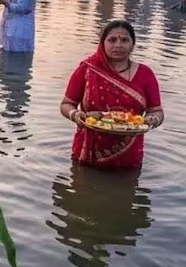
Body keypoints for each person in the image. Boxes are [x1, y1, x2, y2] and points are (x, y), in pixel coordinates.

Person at [60, 21, 164, 169]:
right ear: (102, 43)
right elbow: (66, 104)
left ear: (133, 45)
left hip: (129, 156)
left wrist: (151, 120)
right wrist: (75, 114)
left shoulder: (145, 74)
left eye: (125, 40)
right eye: (112, 40)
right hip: (88, 153)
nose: (118, 45)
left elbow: (157, 111)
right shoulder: (87, 70)